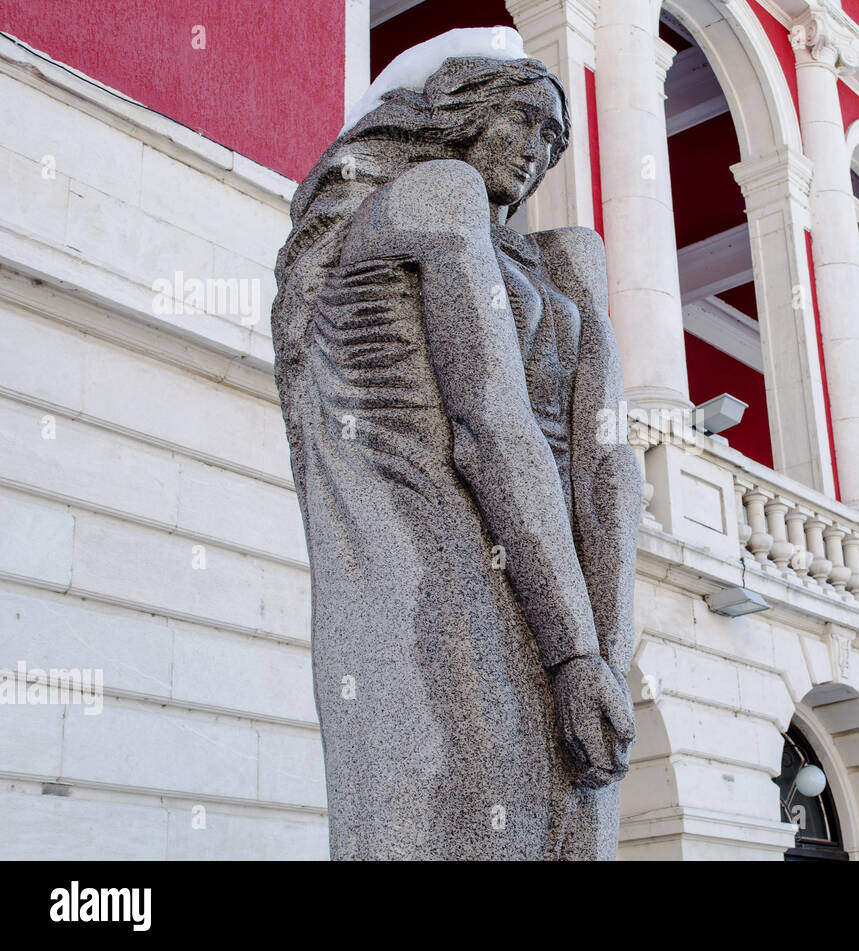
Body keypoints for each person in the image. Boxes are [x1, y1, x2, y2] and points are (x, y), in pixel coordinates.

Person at [271, 34, 640, 860]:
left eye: (555, 140)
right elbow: (487, 421)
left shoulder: (567, 257)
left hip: (567, 576)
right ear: (460, 110)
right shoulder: (434, 195)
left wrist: (603, 650)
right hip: (440, 549)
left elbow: (609, 460)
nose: (537, 150)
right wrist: (576, 650)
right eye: (524, 120)